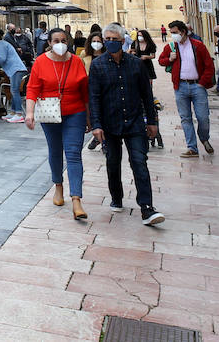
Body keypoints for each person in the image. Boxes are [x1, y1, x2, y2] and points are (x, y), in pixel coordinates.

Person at [87, 23, 164, 226]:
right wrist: (96, 125)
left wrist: (152, 121)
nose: (111, 42)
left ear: (123, 41)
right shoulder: (97, 65)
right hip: (109, 123)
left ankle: (147, 208)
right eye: (108, 39)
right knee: (113, 162)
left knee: (139, 162)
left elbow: (147, 95)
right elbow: (94, 97)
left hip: (134, 121)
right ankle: (117, 197)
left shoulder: (136, 64)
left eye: (115, 39)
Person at [25, 28, 90, 220]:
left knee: (74, 154)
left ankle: (76, 199)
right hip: (50, 114)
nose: (60, 44)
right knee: (55, 151)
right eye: (56, 41)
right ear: (49, 43)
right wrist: (29, 113)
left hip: (75, 113)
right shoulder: (41, 62)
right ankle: (58, 186)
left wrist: (89, 117)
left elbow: (85, 91)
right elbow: (32, 88)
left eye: (63, 40)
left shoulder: (76, 61)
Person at [160, 20, 216, 158]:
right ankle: (192, 148)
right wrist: (169, 59)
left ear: (183, 32)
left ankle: (204, 138)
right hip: (180, 87)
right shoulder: (171, 47)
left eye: (175, 32)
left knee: (203, 117)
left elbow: (209, 65)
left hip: (197, 86)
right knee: (185, 118)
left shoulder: (198, 46)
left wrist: (202, 83)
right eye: (171, 33)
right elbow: (161, 60)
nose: (173, 35)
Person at [131, 30, 163, 148]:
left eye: (141, 35)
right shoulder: (135, 43)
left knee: (147, 88)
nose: (139, 37)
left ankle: (147, 99)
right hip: (136, 67)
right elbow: (131, 52)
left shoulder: (150, 44)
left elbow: (153, 55)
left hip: (147, 67)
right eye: (138, 35)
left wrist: (146, 57)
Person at [0, 29, 28, 123]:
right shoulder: (3, 43)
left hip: (15, 69)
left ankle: (19, 114)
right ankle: (13, 112)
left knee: (14, 91)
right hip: (16, 69)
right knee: (13, 90)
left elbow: (2, 58)